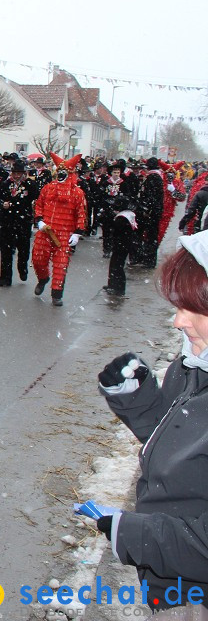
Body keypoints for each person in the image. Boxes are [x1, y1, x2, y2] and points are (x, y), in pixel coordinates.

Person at [93, 233, 208, 610]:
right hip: (176, 586)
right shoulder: (195, 364)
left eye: (195, 309)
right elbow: (180, 444)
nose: (178, 322)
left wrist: (134, 533)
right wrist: (135, 397)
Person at [32, 153, 87, 307]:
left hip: (64, 234)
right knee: (38, 258)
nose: (61, 174)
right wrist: (39, 220)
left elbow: (81, 214)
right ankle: (43, 278)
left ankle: (57, 294)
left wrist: (77, 232)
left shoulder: (77, 193)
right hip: (45, 230)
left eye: (65, 172)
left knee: (60, 264)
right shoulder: (48, 188)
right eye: (59, 171)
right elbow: (39, 205)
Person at [0, 159, 37, 287]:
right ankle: (5, 277)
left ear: (24, 173)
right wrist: (3, 204)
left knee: (23, 249)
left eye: (19, 173)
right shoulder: (5, 184)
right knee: (6, 250)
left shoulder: (30, 184)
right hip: (8, 220)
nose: (17, 175)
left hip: (23, 221)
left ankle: (22, 267)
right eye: (15, 173)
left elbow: (35, 199)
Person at [103, 195, 136, 297]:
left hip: (121, 245)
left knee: (117, 266)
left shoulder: (122, 217)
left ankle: (118, 288)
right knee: (116, 265)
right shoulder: (129, 214)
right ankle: (113, 285)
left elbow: (115, 229)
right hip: (124, 244)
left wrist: (109, 219)